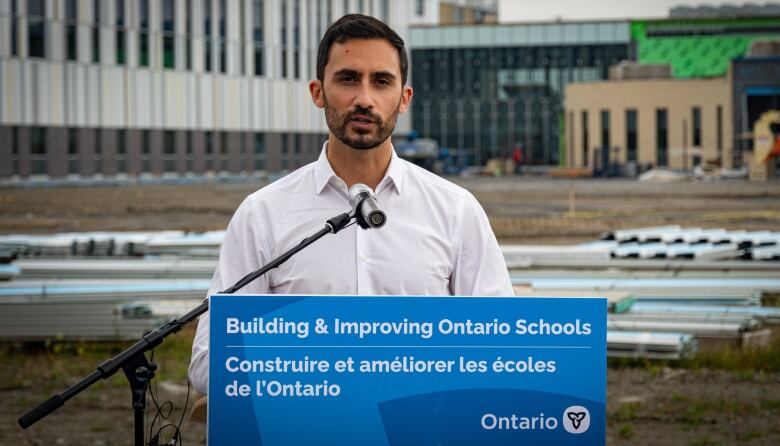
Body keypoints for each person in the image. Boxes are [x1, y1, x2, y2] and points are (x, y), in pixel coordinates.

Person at [188, 14, 513, 395]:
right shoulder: (263, 214)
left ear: (404, 98)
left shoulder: (456, 210)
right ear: (317, 92)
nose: (364, 99)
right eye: (347, 79)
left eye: (381, 81)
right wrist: (326, 372)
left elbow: (499, 347)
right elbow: (209, 363)